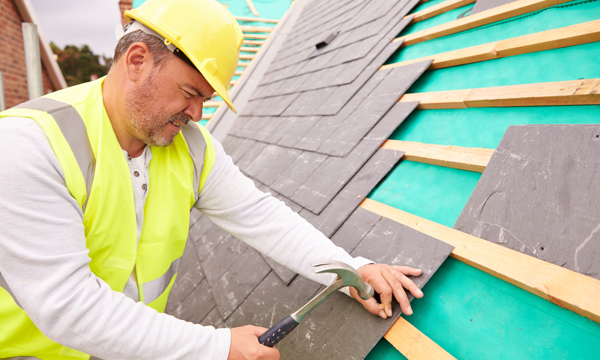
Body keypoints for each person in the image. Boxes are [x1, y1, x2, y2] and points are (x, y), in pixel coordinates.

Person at [0, 0, 423, 359]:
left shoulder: (190, 146)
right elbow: (67, 306)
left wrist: (353, 270)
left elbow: (258, 215)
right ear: (137, 61)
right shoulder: (29, 145)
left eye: (206, 99)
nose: (198, 114)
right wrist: (216, 347)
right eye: (190, 93)